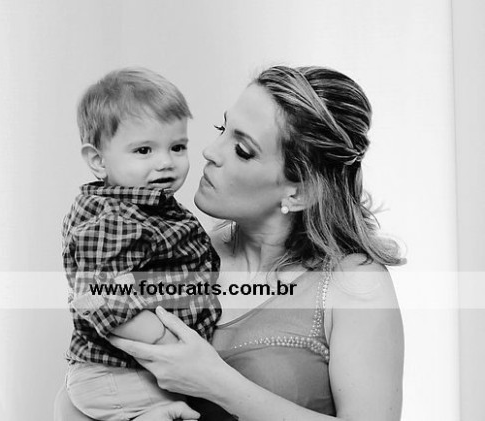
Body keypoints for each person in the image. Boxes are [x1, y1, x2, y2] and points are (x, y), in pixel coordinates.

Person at [54, 65, 405, 421]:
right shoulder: (185, 256)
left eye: (242, 149)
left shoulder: (354, 284)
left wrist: (216, 383)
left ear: (299, 192)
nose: (210, 152)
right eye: (222, 129)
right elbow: (81, 394)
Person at [62, 67, 221, 421]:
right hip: (120, 375)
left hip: (134, 370)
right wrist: (167, 343)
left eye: (177, 147)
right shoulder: (114, 219)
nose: (165, 162)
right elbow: (102, 296)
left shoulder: (150, 207)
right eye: (144, 150)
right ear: (98, 160)